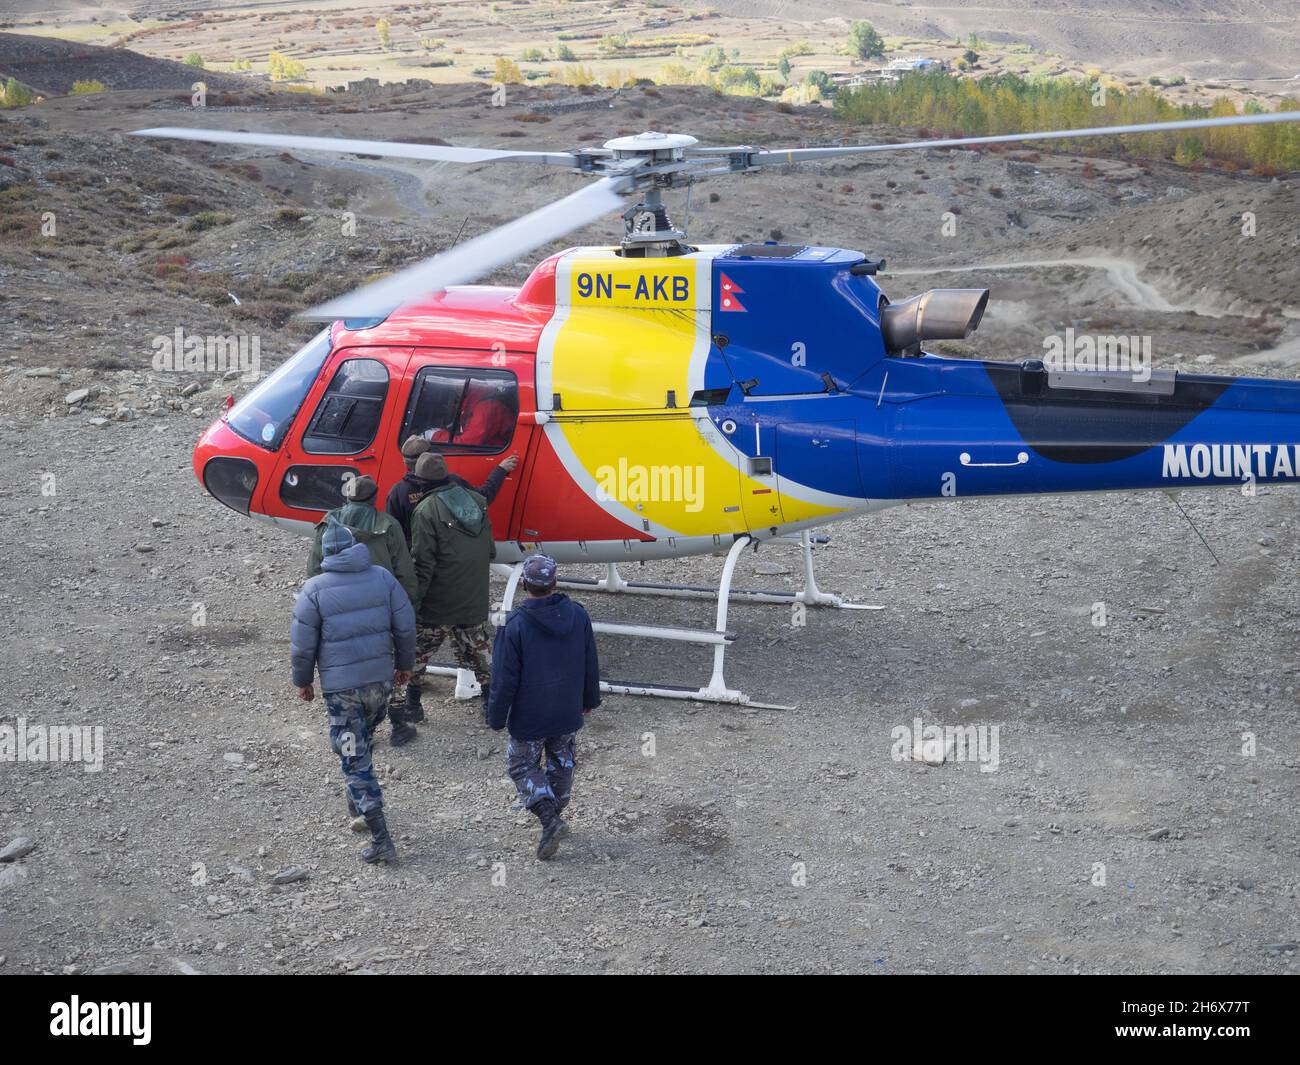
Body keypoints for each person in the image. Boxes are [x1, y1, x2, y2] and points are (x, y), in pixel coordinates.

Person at [291, 524, 415, 864]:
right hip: (380, 684)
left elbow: (303, 646)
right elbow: (405, 626)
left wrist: (303, 681)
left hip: (342, 690)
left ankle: (381, 839)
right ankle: (357, 803)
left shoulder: (313, 589)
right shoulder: (382, 578)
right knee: (362, 742)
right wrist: (406, 666)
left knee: (353, 758)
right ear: (353, 545)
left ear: (326, 553)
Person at [487, 554, 601, 860]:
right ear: (555, 582)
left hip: (530, 714)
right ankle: (556, 812)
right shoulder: (578, 615)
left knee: (521, 765)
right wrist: (589, 700)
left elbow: (503, 679)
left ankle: (549, 818)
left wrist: (496, 716)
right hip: (567, 709)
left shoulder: (514, 625)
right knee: (562, 760)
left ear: (525, 584)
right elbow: (590, 661)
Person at [407, 450, 496, 732]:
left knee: (417, 654)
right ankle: (494, 705)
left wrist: (413, 602)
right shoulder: (477, 501)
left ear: (421, 482)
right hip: (474, 596)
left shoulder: (425, 510)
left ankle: (413, 706)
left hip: (438, 603)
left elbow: (423, 562)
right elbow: (490, 550)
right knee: (481, 653)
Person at [385, 435, 519, 544]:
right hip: (450, 553)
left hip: (419, 558)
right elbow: (483, 497)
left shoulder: (398, 493)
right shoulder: (453, 482)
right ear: (432, 455)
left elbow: (393, 534)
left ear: (405, 463)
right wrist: (500, 470)